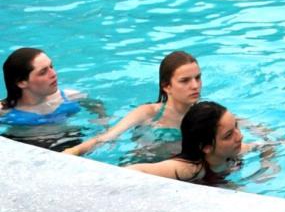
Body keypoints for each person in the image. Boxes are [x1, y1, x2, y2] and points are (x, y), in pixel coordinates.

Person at [65, 51, 201, 158]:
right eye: (185, 81)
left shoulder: (205, 115)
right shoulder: (149, 113)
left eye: (198, 78)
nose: (195, 86)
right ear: (166, 86)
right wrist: (74, 151)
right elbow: (108, 137)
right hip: (143, 165)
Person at [127, 101, 268, 184]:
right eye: (228, 135)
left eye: (236, 127)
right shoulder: (190, 169)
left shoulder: (235, 151)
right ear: (206, 147)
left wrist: (267, 165)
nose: (240, 136)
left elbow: (266, 146)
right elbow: (133, 171)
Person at [1, 48, 87, 126]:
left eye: (51, 66)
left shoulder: (72, 97)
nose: (54, 74)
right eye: (43, 72)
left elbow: (98, 109)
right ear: (21, 83)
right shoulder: (3, 112)